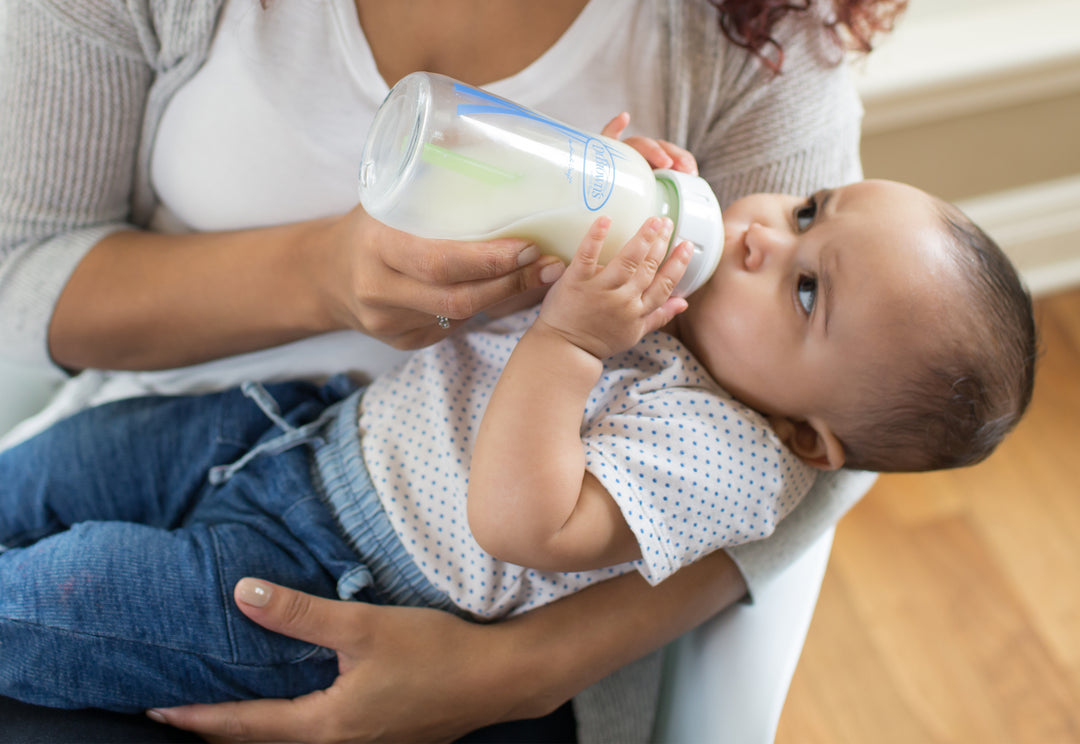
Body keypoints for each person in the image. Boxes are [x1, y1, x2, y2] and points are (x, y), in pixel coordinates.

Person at [0, 0, 932, 740]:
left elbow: (839, 424)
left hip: (448, 611)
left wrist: (521, 672)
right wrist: (326, 275)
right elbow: (24, 275)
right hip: (176, 444)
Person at [0, 171, 1036, 712]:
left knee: (65, 599)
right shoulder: (681, 295)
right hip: (290, 427)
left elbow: (520, 518)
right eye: (810, 209)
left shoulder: (733, 462)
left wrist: (576, 335)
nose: (764, 235)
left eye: (806, 289)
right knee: (46, 473)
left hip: (329, 577)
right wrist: (620, 191)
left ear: (810, 435)